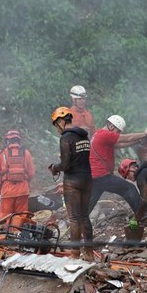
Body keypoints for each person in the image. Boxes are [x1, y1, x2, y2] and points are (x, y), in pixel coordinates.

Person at [48, 107, 94, 261]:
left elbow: (66, 165)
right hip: (87, 179)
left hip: (72, 181)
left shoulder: (66, 138)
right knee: (84, 216)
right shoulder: (84, 136)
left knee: (74, 218)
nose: (57, 129)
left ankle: (75, 254)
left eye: (56, 125)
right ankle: (89, 253)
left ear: (61, 121)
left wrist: (55, 167)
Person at [88, 115, 147, 220]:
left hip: (94, 177)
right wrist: (145, 134)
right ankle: (143, 215)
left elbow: (120, 145)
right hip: (102, 176)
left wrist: (138, 141)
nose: (118, 134)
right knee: (129, 189)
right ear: (111, 126)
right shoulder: (105, 134)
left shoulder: (98, 134)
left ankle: (77, 223)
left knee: (88, 206)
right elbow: (127, 138)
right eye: (118, 131)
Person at [0, 129, 36, 229]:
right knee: (21, 217)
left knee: (6, 218)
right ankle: (18, 234)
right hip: (23, 190)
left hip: (7, 190)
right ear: (19, 140)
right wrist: (26, 181)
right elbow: (31, 173)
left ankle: (7, 235)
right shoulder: (26, 153)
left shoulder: (2, 153)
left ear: (7, 140)